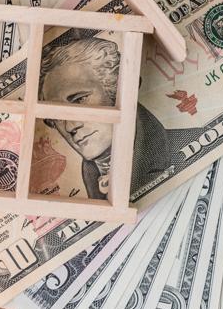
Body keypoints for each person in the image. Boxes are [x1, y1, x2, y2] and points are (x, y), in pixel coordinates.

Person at [38, 36, 171, 200]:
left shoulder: (178, 149)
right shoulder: (90, 187)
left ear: (118, 90)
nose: (69, 126)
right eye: (56, 116)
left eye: (80, 100)